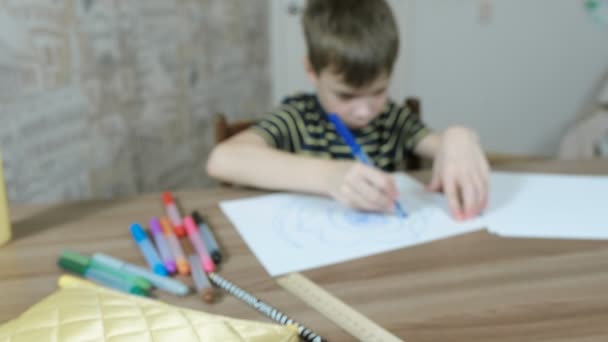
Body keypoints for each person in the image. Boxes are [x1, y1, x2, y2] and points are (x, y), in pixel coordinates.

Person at [207, 0, 489, 221]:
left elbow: (441, 147)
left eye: (378, 91)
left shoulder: (391, 118)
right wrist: (329, 177)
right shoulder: (299, 118)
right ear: (311, 71)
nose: (365, 111)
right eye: (346, 95)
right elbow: (223, 159)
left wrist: (458, 138)